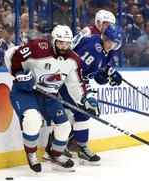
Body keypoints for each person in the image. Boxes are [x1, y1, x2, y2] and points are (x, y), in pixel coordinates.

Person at [7, 25, 99, 172]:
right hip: (27, 92)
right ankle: (31, 154)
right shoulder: (38, 47)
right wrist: (18, 73)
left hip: (49, 96)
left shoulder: (73, 60)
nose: (64, 46)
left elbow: (75, 85)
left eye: (67, 43)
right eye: (61, 42)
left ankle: (55, 154)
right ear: (54, 40)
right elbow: (12, 54)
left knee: (64, 126)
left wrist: (85, 99)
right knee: (32, 120)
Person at [44, 24, 123, 165]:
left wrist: (108, 74)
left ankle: (70, 145)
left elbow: (97, 76)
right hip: (66, 80)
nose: (112, 45)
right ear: (104, 37)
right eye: (110, 41)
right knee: (81, 111)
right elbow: (76, 70)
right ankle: (75, 146)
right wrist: (86, 94)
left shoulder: (107, 51)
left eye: (115, 43)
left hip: (75, 81)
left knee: (78, 112)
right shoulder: (93, 48)